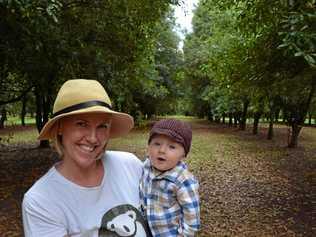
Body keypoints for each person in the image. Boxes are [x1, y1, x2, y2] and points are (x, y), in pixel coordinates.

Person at [22, 79, 152, 237]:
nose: (92, 138)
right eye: (81, 124)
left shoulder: (130, 165)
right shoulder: (41, 201)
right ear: (60, 127)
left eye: (102, 126)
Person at [139, 119, 200, 236]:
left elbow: (192, 216)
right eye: (157, 144)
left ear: (183, 155)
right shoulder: (146, 166)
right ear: (148, 146)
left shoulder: (183, 180)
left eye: (172, 147)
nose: (161, 150)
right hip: (145, 230)